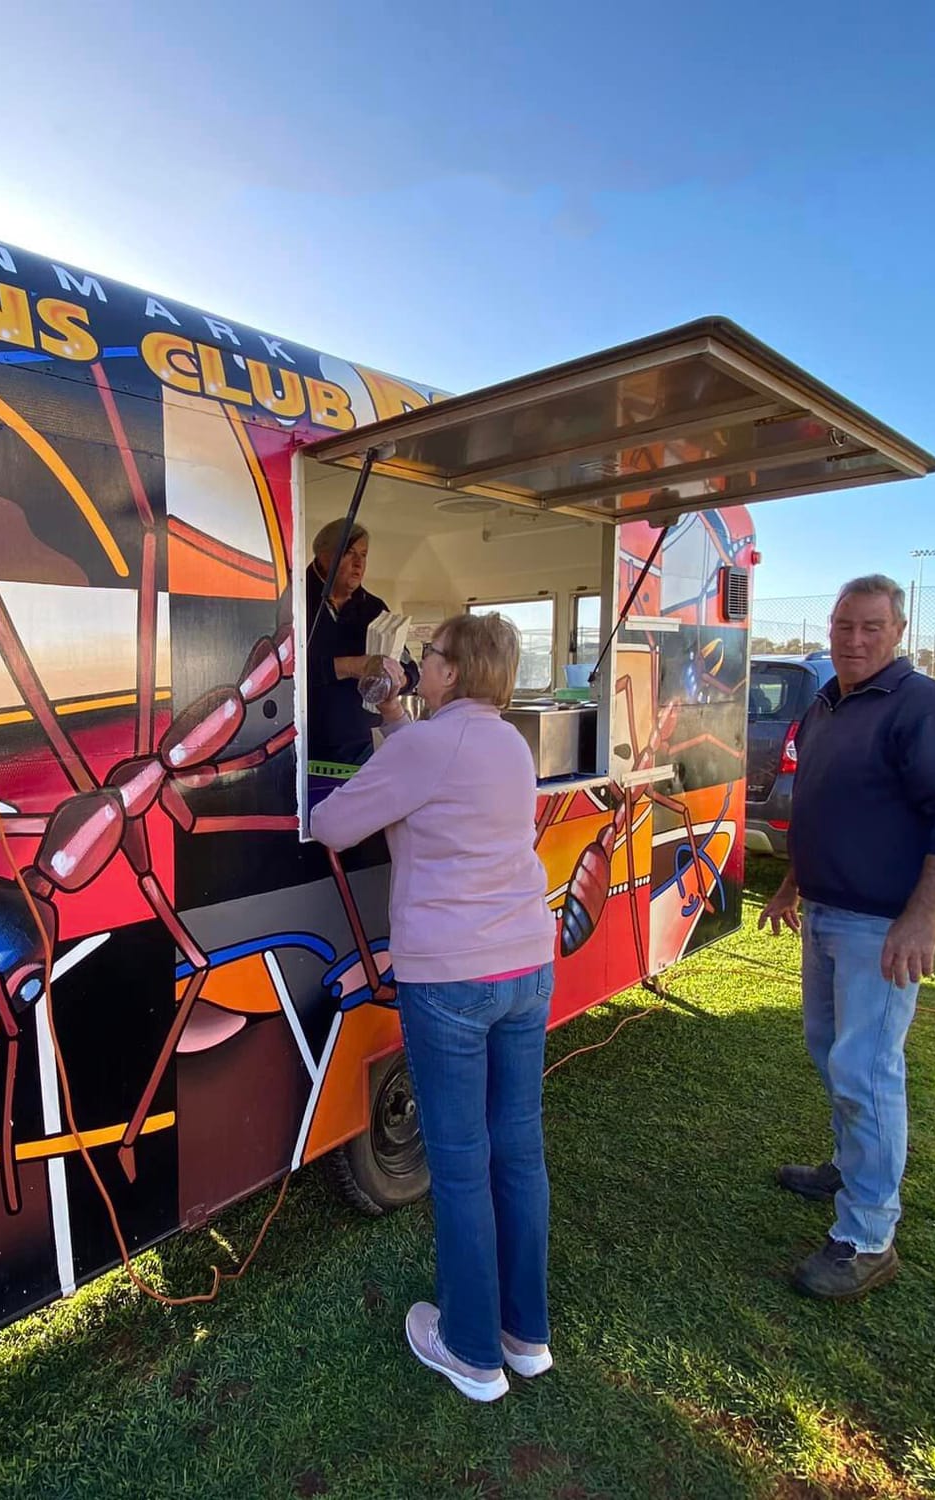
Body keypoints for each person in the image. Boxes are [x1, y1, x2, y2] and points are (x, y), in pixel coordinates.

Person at [309, 613, 558, 1402]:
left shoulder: (428, 745)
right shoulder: (507, 742)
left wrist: (393, 734)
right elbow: (430, 769)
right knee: (518, 1152)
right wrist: (392, 715)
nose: (422, 662)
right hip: (526, 965)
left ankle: (472, 1353)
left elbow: (331, 824)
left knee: (458, 1162)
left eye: (430, 655)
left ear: (452, 671)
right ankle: (525, 1337)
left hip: (451, 978)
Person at [757, 574, 935, 1300]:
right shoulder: (827, 704)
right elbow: (821, 807)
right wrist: (793, 884)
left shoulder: (924, 708)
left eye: (871, 627)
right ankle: (850, 1167)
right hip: (826, 913)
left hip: (882, 927)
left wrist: (923, 916)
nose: (854, 640)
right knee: (832, 1053)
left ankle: (867, 1237)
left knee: (866, 1070)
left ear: (898, 632)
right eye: (843, 626)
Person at [303, 518, 415, 768]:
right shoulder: (293, 600)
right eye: (349, 553)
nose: (358, 563)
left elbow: (410, 668)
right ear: (324, 555)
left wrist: (396, 679)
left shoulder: (373, 608)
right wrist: (349, 666)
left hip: (360, 749)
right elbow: (280, 673)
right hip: (300, 746)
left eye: (363, 555)